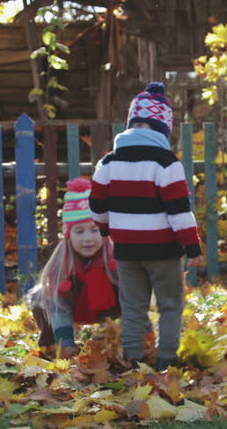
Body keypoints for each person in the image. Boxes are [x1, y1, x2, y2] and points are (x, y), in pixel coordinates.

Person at [90, 81, 204, 372]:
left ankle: (133, 359)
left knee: (133, 306)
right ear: (163, 128)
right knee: (169, 304)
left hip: (127, 250)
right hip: (165, 251)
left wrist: (105, 231)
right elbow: (179, 212)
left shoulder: (108, 162)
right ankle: (167, 360)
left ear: (131, 124)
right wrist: (192, 247)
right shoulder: (167, 163)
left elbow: (97, 206)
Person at [26, 177, 120, 359]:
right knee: (40, 295)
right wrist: (66, 344)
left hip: (110, 308)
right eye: (79, 231)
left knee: (135, 288)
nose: (88, 239)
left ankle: (138, 341)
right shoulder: (62, 261)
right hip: (75, 307)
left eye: (95, 230)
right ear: (68, 234)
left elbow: (135, 298)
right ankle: (56, 342)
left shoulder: (114, 256)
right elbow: (57, 302)